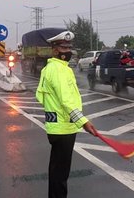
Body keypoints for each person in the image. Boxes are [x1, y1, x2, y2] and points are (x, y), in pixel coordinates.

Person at [36, 30, 98, 198]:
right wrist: (84, 121)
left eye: (69, 47)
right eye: (63, 47)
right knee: (60, 175)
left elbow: (40, 96)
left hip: (56, 126)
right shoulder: (58, 70)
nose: (68, 51)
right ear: (55, 50)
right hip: (64, 128)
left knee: (57, 171)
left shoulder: (51, 68)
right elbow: (66, 100)